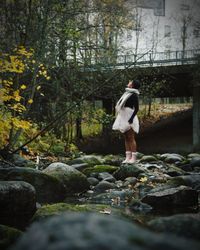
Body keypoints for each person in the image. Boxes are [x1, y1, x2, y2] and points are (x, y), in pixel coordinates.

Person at [112, 79, 140, 164]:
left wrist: (131, 118)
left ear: (132, 85)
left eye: (130, 82)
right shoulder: (126, 93)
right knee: (126, 137)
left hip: (129, 116)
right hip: (123, 116)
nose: (128, 82)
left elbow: (137, 108)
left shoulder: (134, 94)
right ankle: (128, 157)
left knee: (131, 137)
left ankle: (133, 158)